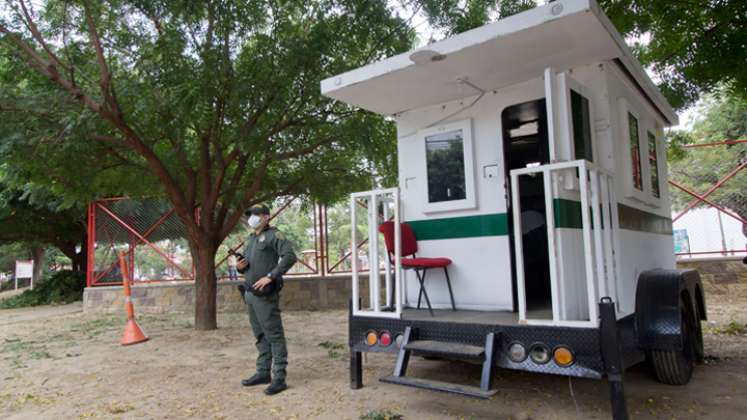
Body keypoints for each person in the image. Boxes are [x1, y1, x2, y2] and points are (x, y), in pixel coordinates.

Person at [237, 204, 297, 395]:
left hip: (265, 295)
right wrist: (240, 267)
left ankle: (279, 377)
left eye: (254, 215)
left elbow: (290, 257)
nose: (251, 219)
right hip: (250, 294)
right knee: (260, 335)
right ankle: (263, 372)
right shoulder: (251, 239)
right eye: (249, 216)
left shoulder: (273, 236)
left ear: (265, 217)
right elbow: (246, 265)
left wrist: (271, 276)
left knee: (274, 335)